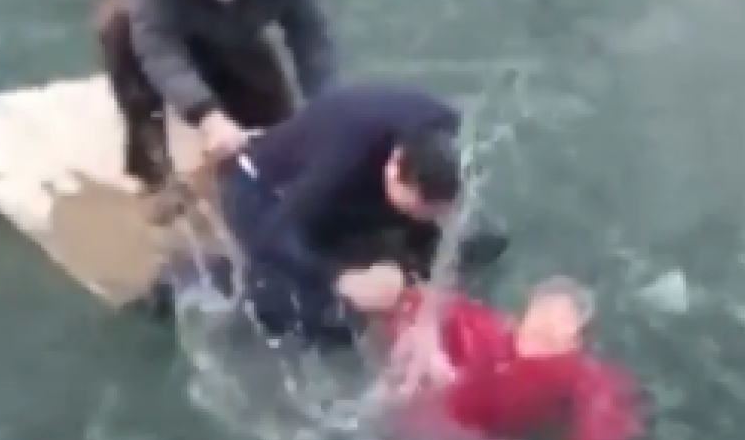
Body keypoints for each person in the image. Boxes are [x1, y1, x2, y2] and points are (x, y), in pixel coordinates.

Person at [150, 83, 506, 346]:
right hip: (265, 192)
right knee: (335, 323)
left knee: (479, 249)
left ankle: (380, 248)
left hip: (361, 191)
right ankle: (199, 278)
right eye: (419, 209)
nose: (429, 217)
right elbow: (274, 235)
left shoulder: (446, 129)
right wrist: (343, 279)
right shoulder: (342, 158)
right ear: (394, 167)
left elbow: (437, 207)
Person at [95, 0, 337, 194]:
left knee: (276, 119)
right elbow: (158, 44)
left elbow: (311, 37)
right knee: (120, 28)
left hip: (234, 29)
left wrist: (327, 106)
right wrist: (207, 115)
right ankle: (153, 164)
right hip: (154, 16)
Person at [376, 277, 642, 440]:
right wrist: (403, 301)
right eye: (543, 309)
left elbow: (607, 408)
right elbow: (431, 308)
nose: (547, 319)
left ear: (577, 339)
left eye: (563, 317)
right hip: (424, 420)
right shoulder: (489, 330)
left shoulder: (580, 372)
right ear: (521, 317)